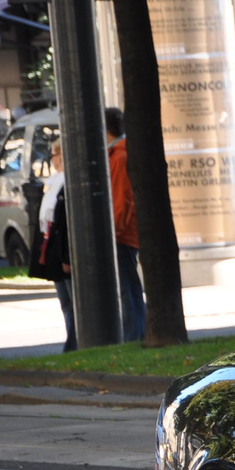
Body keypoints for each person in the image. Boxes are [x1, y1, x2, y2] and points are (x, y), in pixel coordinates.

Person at [106, 108, 144, 343]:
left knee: (127, 291)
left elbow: (121, 200)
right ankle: (135, 333)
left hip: (122, 235)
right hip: (125, 233)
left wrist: (115, 230)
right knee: (129, 288)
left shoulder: (118, 157)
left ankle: (133, 336)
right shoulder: (118, 153)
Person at [38, 142, 75, 352]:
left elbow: (62, 220)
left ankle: (74, 340)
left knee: (71, 300)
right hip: (52, 244)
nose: (52, 159)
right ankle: (71, 338)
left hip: (62, 248)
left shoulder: (64, 182)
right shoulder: (54, 182)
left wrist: (66, 256)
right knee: (65, 301)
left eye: (53, 155)